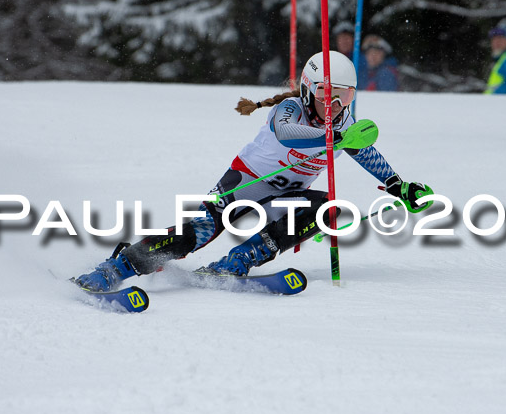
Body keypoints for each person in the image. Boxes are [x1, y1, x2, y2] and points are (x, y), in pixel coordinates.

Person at [75, 51, 433, 292]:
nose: (335, 105)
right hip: (243, 185)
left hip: (283, 196)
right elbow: (286, 133)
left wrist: (397, 185)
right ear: (309, 89)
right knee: (196, 234)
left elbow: (365, 152)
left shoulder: (341, 124)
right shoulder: (289, 109)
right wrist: (334, 136)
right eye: (327, 93)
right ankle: (119, 268)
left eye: (345, 96)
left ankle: (235, 263)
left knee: (325, 207)